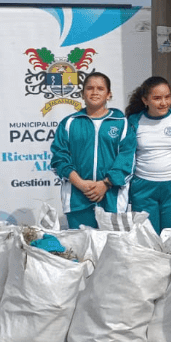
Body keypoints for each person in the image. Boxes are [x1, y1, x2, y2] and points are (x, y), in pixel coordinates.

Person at [50, 71, 130, 229]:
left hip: (112, 200)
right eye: (90, 88)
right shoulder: (69, 123)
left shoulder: (121, 123)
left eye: (100, 88)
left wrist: (105, 184)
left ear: (109, 94)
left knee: (112, 251)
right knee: (80, 250)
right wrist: (80, 184)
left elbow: (127, 158)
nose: (95, 92)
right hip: (77, 200)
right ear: (82, 94)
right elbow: (59, 159)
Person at [118, 76, 171, 233]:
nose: (163, 103)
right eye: (157, 98)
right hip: (143, 188)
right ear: (145, 100)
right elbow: (124, 154)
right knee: (147, 236)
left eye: (167, 97)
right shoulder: (133, 122)